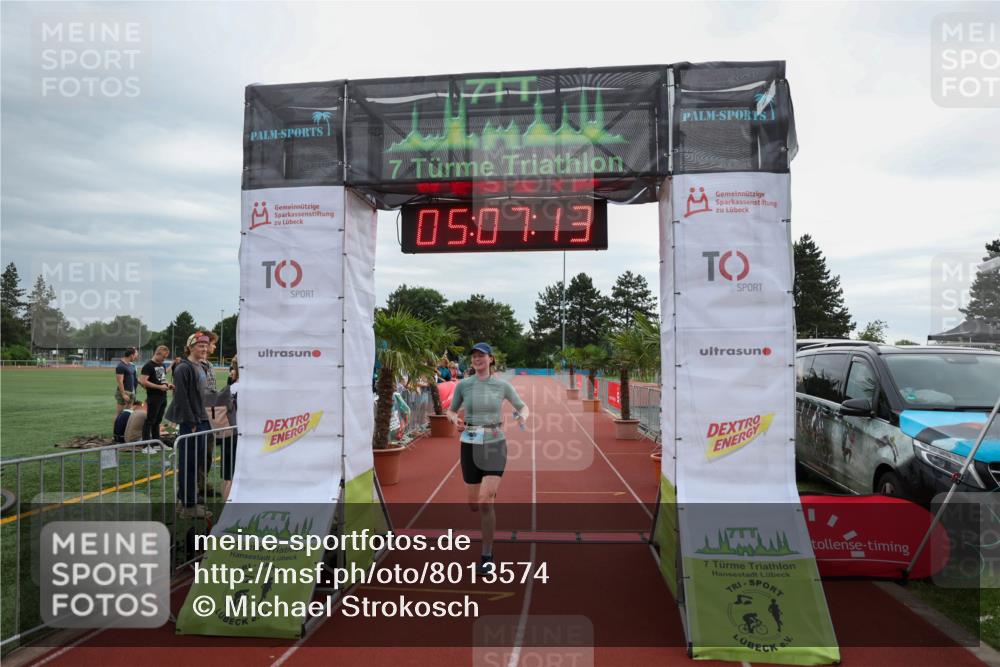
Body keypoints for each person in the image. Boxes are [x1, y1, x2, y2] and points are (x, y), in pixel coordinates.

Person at [445, 342, 528, 573]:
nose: (477, 359)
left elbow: (522, 407)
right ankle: (488, 492)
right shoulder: (464, 385)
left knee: (484, 502)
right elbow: (451, 410)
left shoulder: (502, 386)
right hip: (470, 444)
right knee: (473, 505)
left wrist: (522, 417)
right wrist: (454, 419)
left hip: (494, 443)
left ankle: (487, 555)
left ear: (491, 359)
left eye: (482, 355)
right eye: (474, 356)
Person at [165, 332, 214, 519]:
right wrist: (191, 422)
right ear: (190, 347)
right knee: (189, 465)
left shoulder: (200, 366)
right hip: (192, 423)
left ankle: (184, 501)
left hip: (202, 420)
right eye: (200, 346)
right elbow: (181, 398)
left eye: (205, 346)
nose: (204, 349)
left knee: (196, 463)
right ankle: (188, 506)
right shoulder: (183, 368)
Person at [139, 345, 173, 445]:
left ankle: (156, 443)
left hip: (163, 396)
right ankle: (145, 445)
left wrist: (168, 384)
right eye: (163, 357)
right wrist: (159, 387)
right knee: (150, 420)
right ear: (157, 354)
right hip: (153, 396)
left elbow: (161, 379)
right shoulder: (148, 366)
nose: (164, 359)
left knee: (157, 421)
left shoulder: (162, 365)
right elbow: (143, 381)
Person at [216, 356, 239, 501]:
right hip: (239, 435)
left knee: (228, 476)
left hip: (229, 434)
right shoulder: (255, 389)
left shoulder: (228, 389)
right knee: (231, 476)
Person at [115, 347, 139, 416]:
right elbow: (120, 381)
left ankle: (124, 426)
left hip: (131, 392)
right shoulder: (121, 366)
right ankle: (116, 427)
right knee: (119, 414)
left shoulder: (130, 365)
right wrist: (123, 394)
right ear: (131, 355)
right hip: (124, 392)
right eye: (135, 356)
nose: (135, 357)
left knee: (127, 414)